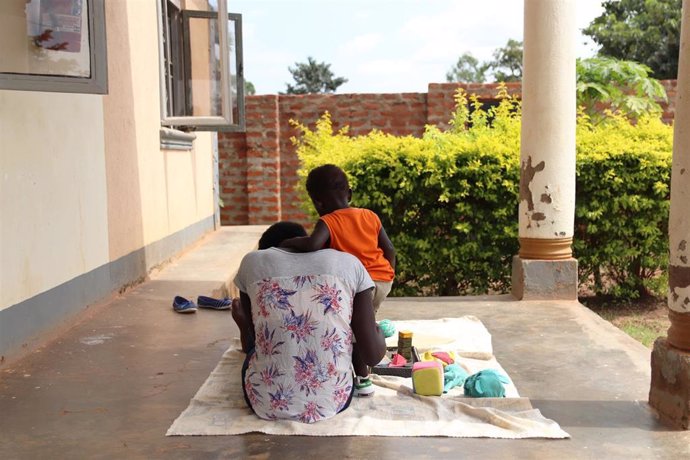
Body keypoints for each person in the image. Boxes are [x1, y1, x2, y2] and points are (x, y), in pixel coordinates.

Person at [231, 221, 386, 423]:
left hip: (265, 402)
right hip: (332, 400)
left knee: (259, 349)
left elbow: (254, 343)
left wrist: (244, 325)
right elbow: (372, 357)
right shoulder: (349, 263)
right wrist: (378, 332)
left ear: (269, 251)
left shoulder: (252, 263)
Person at [280, 164, 396, 316]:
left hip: (358, 287)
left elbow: (313, 244)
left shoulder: (329, 221)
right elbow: (390, 249)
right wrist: (390, 273)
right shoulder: (369, 215)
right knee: (366, 319)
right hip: (384, 280)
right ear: (349, 194)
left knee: (352, 324)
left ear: (317, 202)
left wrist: (291, 241)